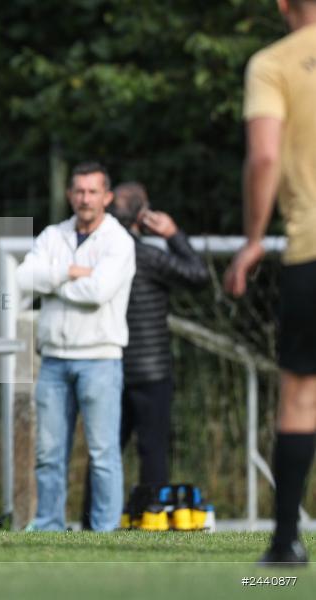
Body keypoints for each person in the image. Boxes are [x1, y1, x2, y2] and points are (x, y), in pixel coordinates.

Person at [223, 0, 316, 565]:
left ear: (284, 5)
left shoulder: (273, 64)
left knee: (301, 395)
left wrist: (254, 237)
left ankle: (285, 543)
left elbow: (264, 158)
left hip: (310, 251)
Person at [80, 182, 209, 528]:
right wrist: (173, 234)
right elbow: (199, 276)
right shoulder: (149, 256)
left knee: (103, 453)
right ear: (143, 216)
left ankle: (92, 523)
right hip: (152, 372)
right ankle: (150, 519)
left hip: (106, 363)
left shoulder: (95, 254)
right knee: (152, 453)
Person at [15, 162, 135, 532]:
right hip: (53, 359)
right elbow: (23, 277)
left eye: (93, 191)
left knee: (102, 454)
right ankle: (49, 524)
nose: (85, 198)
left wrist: (52, 279)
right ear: (70, 195)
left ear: (107, 197)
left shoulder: (119, 241)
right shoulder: (53, 234)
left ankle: (105, 529)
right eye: (79, 191)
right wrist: (70, 272)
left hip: (100, 358)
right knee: (49, 453)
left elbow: (97, 292)